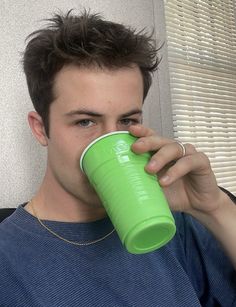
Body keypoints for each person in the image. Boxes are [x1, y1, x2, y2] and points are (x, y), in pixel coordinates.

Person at [0, 9, 235, 307]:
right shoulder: (7, 261)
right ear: (40, 128)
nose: (112, 143)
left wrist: (215, 208)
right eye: (85, 121)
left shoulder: (173, 224)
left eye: (126, 121)